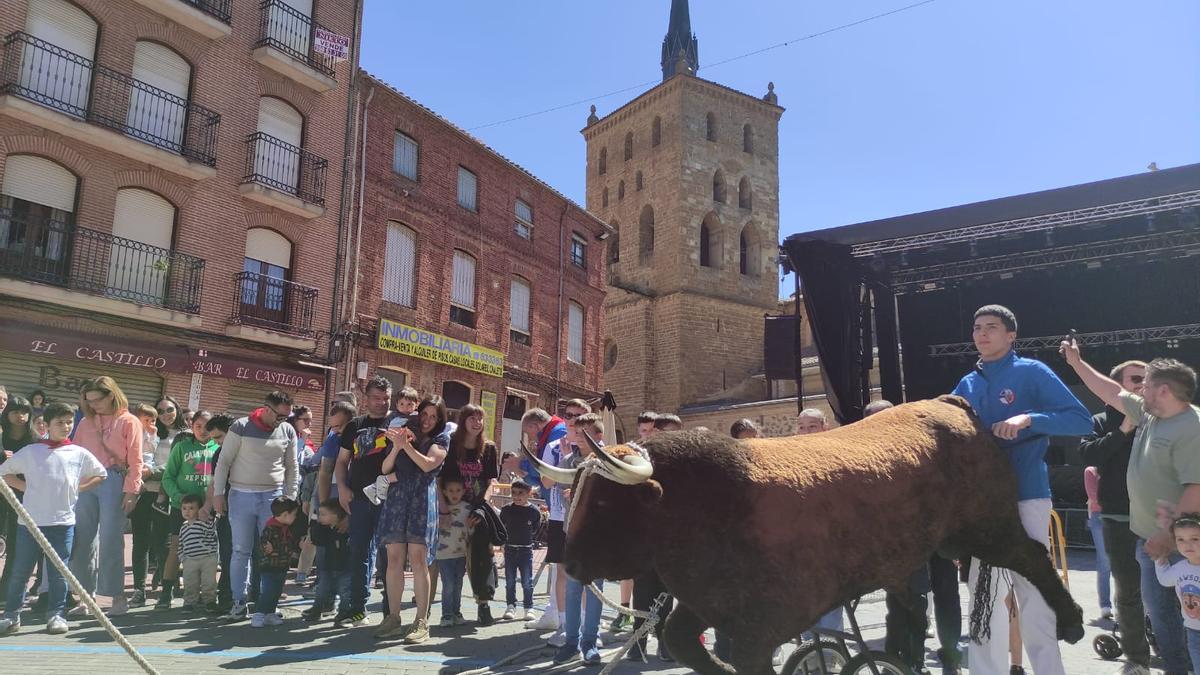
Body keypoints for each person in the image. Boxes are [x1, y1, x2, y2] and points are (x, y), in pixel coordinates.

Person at [952, 305, 1092, 675]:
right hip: (982, 507)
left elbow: (1079, 419)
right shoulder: (966, 384)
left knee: (1034, 595)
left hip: (1027, 495)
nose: (982, 334)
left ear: (1011, 335)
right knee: (984, 599)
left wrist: (1029, 418)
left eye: (992, 327)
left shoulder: (1032, 372)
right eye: (977, 327)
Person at [1062, 345, 1200, 675]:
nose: (1138, 390)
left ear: (1163, 390)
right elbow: (1109, 389)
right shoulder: (1149, 413)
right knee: (1165, 620)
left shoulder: (1191, 426)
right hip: (1151, 541)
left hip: (1184, 546)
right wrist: (1077, 364)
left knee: (1190, 622)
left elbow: (1196, 488)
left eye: (1146, 384)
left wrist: (1167, 536)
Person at [0, 402, 107, 635]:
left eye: (69, 422)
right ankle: (11, 615)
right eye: (59, 422)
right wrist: (25, 487)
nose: (66, 427)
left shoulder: (78, 453)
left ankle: (56, 614)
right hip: (29, 523)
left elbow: (101, 473)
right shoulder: (31, 451)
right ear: (46, 425)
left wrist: (79, 488)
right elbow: (4, 472)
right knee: (21, 571)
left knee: (59, 572)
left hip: (62, 523)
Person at [1079, 359, 1152, 675]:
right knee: (1127, 590)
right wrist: (1123, 430)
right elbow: (1088, 455)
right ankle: (1137, 658)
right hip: (1117, 516)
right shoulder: (1098, 420)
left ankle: (1175, 648)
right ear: (1115, 385)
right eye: (1136, 378)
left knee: (1167, 589)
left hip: (1158, 517)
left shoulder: (1158, 418)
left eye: (1148, 379)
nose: (1143, 384)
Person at [211, 392, 299, 620]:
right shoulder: (240, 426)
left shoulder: (288, 430)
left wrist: (290, 497)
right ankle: (238, 602)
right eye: (280, 416)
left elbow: (292, 466)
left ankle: (266, 604)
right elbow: (223, 463)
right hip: (241, 495)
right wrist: (218, 494)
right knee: (240, 550)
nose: (283, 421)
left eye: (287, 416)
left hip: (273, 497)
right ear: (267, 408)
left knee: (271, 551)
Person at [373, 396, 449, 643]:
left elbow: (427, 465)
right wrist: (396, 446)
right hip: (397, 499)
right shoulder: (405, 433)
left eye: (433, 416)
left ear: (440, 419)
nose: (427, 420)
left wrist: (405, 446)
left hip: (421, 500)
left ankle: (421, 621)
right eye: (424, 414)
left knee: (418, 560)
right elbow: (385, 469)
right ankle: (393, 618)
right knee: (393, 559)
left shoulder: (441, 439)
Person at [70, 377, 144, 617]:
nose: (93, 405)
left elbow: (136, 459)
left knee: (111, 539)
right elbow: (75, 454)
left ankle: (118, 597)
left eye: (97, 400)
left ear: (111, 394)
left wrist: (132, 491)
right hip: (85, 481)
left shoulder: (129, 421)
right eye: (88, 401)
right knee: (82, 538)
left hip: (114, 478)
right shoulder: (85, 422)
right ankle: (84, 596)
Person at [335, 376, 394, 628]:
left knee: (390, 557)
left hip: (391, 500)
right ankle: (357, 610)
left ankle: (391, 613)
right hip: (359, 499)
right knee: (359, 554)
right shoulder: (354, 426)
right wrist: (341, 488)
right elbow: (341, 461)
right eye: (376, 398)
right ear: (366, 398)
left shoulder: (398, 423)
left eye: (386, 398)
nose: (381, 403)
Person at [554, 412, 610, 666]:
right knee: (574, 588)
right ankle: (571, 642)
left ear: (599, 435)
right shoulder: (568, 460)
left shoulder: (610, 460)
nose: (579, 437)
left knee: (595, 589)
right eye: (577, 432)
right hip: (574, 535)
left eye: (585, 432)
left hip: (598, 538)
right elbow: (560, 490)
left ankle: (590, 642)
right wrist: (569, 494)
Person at [537, 400, 592, 645]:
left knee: (585, 572)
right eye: (569, 415)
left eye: (579, 416)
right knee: (562, 571)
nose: (573, 420)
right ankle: (564, 623)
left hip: (586, 519)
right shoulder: (552, 446)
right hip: (560, 516)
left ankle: (586, 624)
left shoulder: (595, 446)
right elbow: (546, 483)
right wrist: (564, 460)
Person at [441, 404, 500, 625]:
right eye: (472, 419)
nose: (477, 423)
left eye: (480, 419)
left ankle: (483, 604)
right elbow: (439, 480)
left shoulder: (489, 448)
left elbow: (490, 481)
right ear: (463, 420)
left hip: (477, 511)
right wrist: (443, 509)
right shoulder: (450, 445)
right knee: (451, 562)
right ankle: (448, 611)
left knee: (481, 559)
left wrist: (480, 506)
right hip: (453, 510)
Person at [519, 407, 568, 633]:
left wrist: (522, 467)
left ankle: (562, 619)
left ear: (535, 425)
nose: (530, 438)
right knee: (559, 568)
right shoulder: (551, 436)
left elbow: (546, 473)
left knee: (564, 569)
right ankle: (556, 613)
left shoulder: (556, 434)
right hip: (559, 507)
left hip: (563, 509)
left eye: (529, 433)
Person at [0, 396, 36, 600]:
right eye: (15, 411)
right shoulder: (0, 433)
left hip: (21, 494)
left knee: (15, 543)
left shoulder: (34, 439)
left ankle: (7, 589)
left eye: (25, 412)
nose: (20, 416)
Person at [1155, 514, 1200, 673]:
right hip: (1193, 632)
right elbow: (1165, 579)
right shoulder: (1180, 567)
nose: (1187, 544)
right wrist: (1160, 559)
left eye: (1195, 539)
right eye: (1180, 539)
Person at [200, 414, 234, 610]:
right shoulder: (218, 454)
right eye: (213, 438)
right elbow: (214, 483)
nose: (217, 442)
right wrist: (208, 506)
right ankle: (226, 597)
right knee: (227, 554)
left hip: (244, 509)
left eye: (220, 437)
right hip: (225, 511)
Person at [129, 403, 160, 608]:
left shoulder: (159, 436)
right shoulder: (132, 433)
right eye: (146, 418)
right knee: (141, 542)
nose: (151, 423)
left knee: (163, 543)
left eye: (153, 419)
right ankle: (139, 589)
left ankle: (165, 585)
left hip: (163, 494)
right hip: (142, 492)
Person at [252, 496, 300, 628]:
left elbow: (289, 542)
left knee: (277, 591)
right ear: (285, 514)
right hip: (269, 566)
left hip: (282, 565)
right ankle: (259, 614)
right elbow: (262, 543)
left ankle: (270, 614)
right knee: (268, 591)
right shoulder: (270, 528)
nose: (295, 517)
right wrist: (265, 548)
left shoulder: (286, 528)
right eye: (294, 514)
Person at [303, 499, 351, 622]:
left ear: (336, 516)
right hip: (328, 566)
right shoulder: (324, 529)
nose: (320, 518)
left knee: (345, 591)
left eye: (324, 514)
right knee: (321, 589)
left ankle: (344, 611)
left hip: (345, 567)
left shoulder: (346, 531)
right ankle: (317, 609)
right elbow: (317, 540)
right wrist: (315, 525)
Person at [501, 479, 542, 621]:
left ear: (529, 493)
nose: (516, 496)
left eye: (520, 493)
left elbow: (536, 529)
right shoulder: (507, 510)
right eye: (514, 493)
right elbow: (502, 527)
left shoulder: (534, 511)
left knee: (527, 581)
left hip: (526, 550)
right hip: (510, 549)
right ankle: (510, 606)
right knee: (510, 580)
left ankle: (528, 607)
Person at [434, 477, 470, 627]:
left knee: (458, 584)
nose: (454, 494)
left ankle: (456, 612)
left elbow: (471, 529)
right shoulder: (438, 508)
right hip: (443, 554)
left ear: (463, 491)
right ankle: (446, 614)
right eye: (450, 491)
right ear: (444, 492)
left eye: (458, 490)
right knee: (448, 584)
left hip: (461, 553)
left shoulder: (467, 508)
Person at [178, 493, 219, 612]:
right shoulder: (183, 526)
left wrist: (214, 555)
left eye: (191, 508)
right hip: (190, 560)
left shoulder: (204, 522)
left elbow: (212, 535)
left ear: (199, 509)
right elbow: (181, 543)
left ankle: (210, 601)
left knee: (209, 582)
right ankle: (189, 603)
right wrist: (182, 557)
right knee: (190, 582)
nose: (187, 511)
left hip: (207, 558)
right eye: (184, 508)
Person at [1084, 465, 1114, 619]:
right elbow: (1095, 496)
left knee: (1124, 562)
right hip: (1100, 516)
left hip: (1116, 514)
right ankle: (1105, 605)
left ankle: (1121, 603)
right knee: (1104, 562)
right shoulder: (1091, 471)